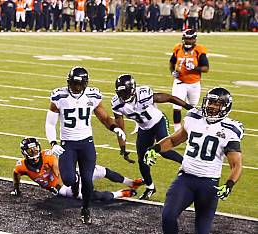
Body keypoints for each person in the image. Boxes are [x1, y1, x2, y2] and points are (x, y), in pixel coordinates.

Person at [144, 88, 243, 234]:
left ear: (225, 107)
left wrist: (230, 184)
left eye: (217, 104)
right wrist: (155, 148)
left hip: (209, 184)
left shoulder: (231, 130)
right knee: (168, 216)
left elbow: (236, 165)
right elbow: (174, 139)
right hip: (186, 178)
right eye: (210, 102)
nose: (212, 107)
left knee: (202, 233)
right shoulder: (194, 117)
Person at [44, 66, 129, 225]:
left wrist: (115, 127)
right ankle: (75, 180)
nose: (76, 87)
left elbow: (104, 118)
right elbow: (50, 123)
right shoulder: (59, 96)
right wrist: (53, 142)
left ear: (85, 84)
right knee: (68, 180)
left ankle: (85, 209)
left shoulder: (93, 95)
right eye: (73, 84)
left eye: (79, 84)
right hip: (67, 144)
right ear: (68, 82)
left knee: (88, 182)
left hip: (86, 143)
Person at [112, 74, 191, 200]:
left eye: (126, 92)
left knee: (164, 151)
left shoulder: (143, 94)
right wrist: (123, 147)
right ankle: (150, 187)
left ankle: (188, 164)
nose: (124, 96)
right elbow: (120, 128)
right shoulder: (117, 104)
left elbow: (169, 98)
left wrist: (189, 107)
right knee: (142, 160)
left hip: (158, 121)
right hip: (144, 128)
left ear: (132, 90)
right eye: (121, 93)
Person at [11, 137, 141, 202]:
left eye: (35, 149)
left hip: (68, 179)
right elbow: (16, 173)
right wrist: (16, 188)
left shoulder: (48, 156)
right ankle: (120, 193)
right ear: (24, 152)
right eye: (30, 150)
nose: (34, 152)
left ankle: (131, 183)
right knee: (87, 196)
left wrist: (70, 179)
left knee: (101, 171)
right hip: (63, 189)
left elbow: (58, 169)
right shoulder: (21, 165)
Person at [169, 29, 209, 131]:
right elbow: (171, 62)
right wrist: (172, 71)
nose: (188, 41)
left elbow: (206, 68)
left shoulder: (199, 50)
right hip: (180, 82)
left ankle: (189, 130)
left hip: (194, 83)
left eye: (190, 39)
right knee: (177, 107)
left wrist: (194, 68)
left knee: (193, 109)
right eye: (186, 39)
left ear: (194, 40)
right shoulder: (178, 48)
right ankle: (177, 130)